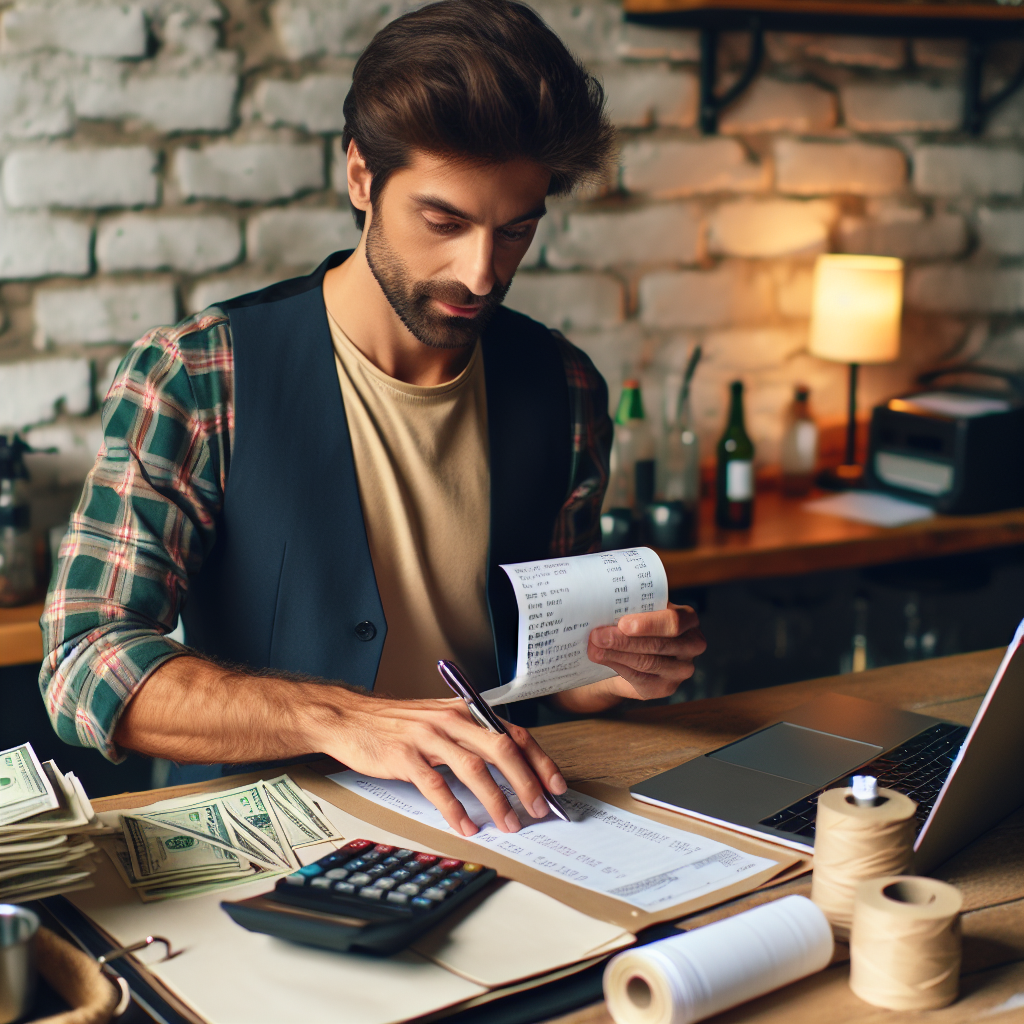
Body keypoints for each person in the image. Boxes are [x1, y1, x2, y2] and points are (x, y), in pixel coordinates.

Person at [39, 0, 706, 838]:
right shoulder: (199, 373)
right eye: (444, 221)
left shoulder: (565, 385)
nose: (481, 273)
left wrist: (616, 669)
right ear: (361, 176)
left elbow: (551, 667)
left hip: (497, 826)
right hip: (261, 841)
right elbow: (85, 664)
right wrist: (342, 718)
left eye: (517, 230)